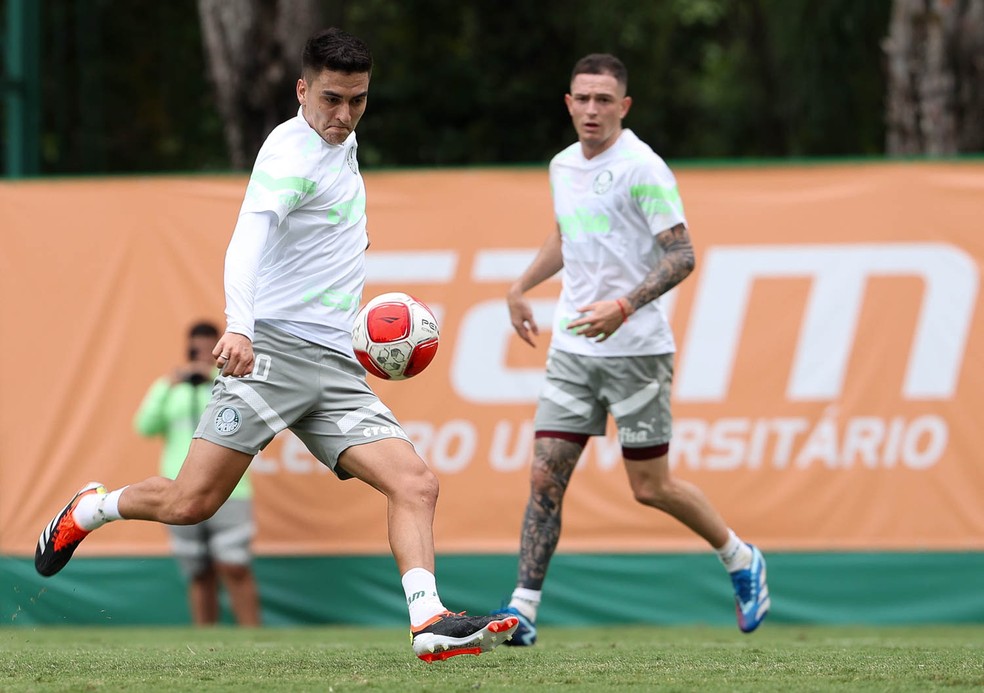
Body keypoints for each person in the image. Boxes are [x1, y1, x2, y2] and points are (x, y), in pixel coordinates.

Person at [35, 27, 517, 662]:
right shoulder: (290, 154)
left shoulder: (340, 139)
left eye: (358, 100)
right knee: (191, 503)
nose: (344, 116)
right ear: (301, 90)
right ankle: (91, 508)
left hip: (337, 365)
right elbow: (247, 242)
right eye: (331, 100)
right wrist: (240, 325)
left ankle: (427, 620)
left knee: (417, 484)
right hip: (274, 357)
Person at [491, 53, 770, 645]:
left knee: (650, 488)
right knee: (545, 477)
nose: (592, 109)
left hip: (637, 351)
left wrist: (624, 306)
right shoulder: (563, 165)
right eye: (582, 99)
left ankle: (740, 557)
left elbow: (682, 255)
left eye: (604, 100)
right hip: (572, 347)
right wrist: (520, 287)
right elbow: (568, 233)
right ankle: (524, 609)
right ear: (568, 102)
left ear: (624, 106)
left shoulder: (643, 168)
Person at [133, 320, 261, 627]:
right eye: (196, 349)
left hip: (231, 488)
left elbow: (252, 413)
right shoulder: (170, 386)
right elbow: (144, 426)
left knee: (234, 565)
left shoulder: (230, 381)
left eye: (209, 349)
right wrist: (169, 386)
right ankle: (206, 641)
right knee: (197, 571)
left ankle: (255, 637)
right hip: (179, 488)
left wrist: (214, 376)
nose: (202, 355)